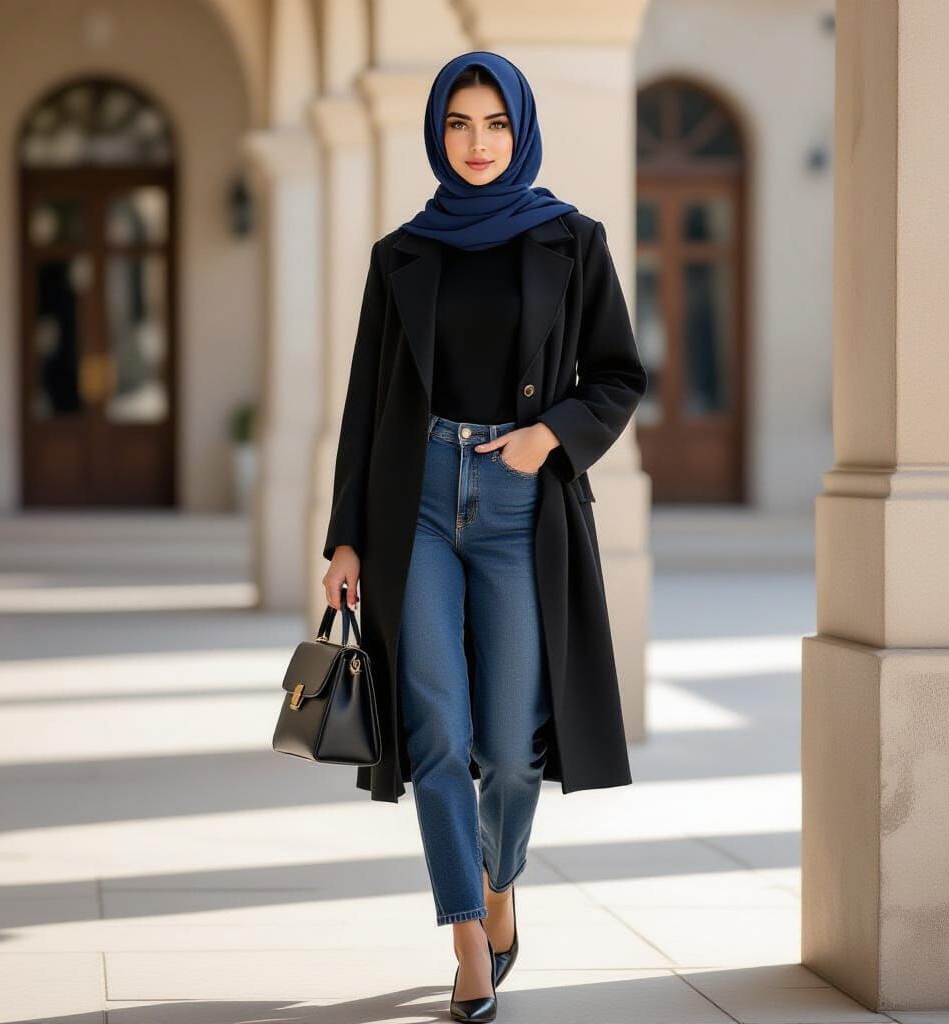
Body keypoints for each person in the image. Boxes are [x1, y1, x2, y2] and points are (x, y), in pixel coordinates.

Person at [321, 50, 647, 1023]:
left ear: (521, 130)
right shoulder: (401, 255)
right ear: (436, 132)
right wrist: (346, 540)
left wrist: (552, 435)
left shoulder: (571, 240)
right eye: (459, 123)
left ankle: (500, 886)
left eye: (495, 124)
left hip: (518, 511)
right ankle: (468, 939)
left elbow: (618, 374)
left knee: (509, 752)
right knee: (437, 736)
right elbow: (365, 405)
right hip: (414, 505)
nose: (476, 142)